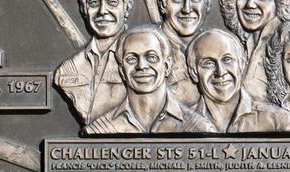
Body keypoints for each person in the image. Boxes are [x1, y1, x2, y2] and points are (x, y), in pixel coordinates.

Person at [85, 26, 216, 135]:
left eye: (151, 57)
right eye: (131, 59)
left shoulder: (199, 129)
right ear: (121, 71)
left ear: (166, 66)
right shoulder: (100, 131)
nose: (141, 66)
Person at [186, 29, 290, 134]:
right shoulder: (181, 125)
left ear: (242, 64)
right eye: (209, 63)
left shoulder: (282, 124)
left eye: (227, 60)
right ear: (194, 73)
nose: (220, 72)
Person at [54, 0, 132, 123]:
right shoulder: (66, 71)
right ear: (84, 9)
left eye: (112, 2)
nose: (103, 11)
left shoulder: (147, 65)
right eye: (94, 2)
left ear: (126, 8)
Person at [156, 0, 212, 102]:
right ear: (163, 4)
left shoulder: (216, 47)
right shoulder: (147, 49)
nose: (187, 8)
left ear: (208, 3)